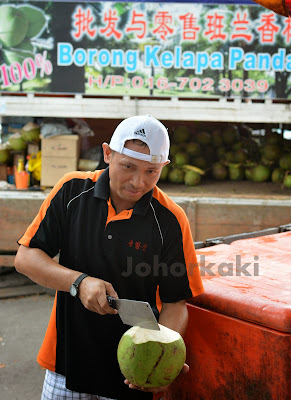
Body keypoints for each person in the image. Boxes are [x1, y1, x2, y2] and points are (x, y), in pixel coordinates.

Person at [15, 115, 204, 400]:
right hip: (66, 363)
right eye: (128, 166)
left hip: (133, 373)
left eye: (151, 171)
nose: (138, 182)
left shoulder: (170, 220)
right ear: (107, 153)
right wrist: (78, 282)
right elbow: (26, 258)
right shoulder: (71, 191)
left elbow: (175, 302)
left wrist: (161, 358)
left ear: (163, 167)